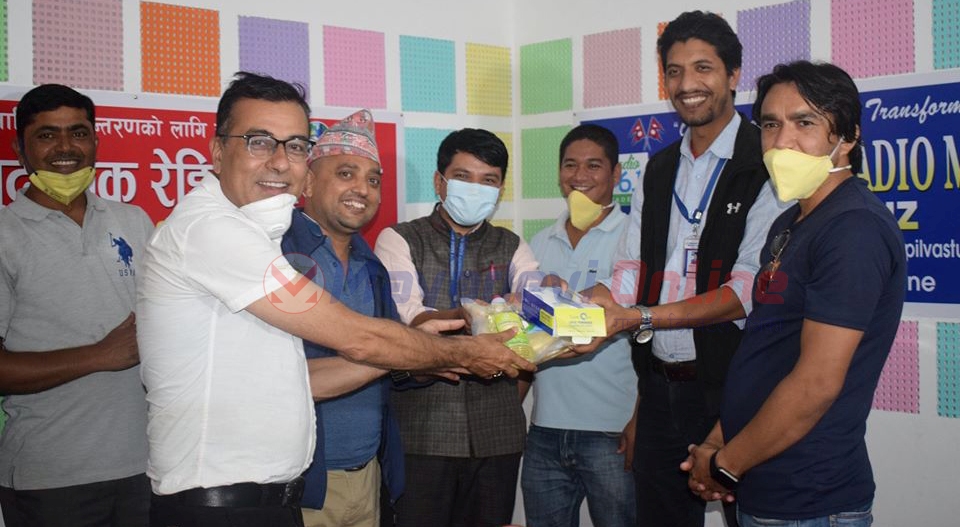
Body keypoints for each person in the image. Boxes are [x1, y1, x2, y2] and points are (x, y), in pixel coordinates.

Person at [136, 72, 533, 527]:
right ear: (218, 151)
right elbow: (358, 338)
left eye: (295, 146)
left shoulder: (271, 240)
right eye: (259, 142)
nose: (280, 162)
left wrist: (419, 351)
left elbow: (306, 377)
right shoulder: (212, 231)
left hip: (277, 496)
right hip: (218, 504)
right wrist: (459, 352)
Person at [576, 11, 788, 527]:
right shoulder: (659, 166)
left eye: (702, 68)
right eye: (674, 71)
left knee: (752, 517)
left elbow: (747, 291)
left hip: (734, 389)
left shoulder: (765, 160)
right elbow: (633, 264)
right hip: (658, 389)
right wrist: (597, 300)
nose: (687, 84)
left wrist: (640, 316)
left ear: (733, 75)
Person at [682, 60, 906, 527]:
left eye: (804, 123)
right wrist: (717, 441)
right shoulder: (790, 222)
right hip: (761, 486)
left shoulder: (853, 229)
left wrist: (725, 465)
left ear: (848, 136)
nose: (782, 141)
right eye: (770, 124)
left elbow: (815, 384)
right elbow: (766, 351)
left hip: (810, 499)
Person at [0, 84, 153, 526]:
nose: (66, 147)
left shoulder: (134, 221)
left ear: (96, 142)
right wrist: (99, 356)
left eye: (78, 133)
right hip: (50, 479)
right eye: (47, 135)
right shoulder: (6, 233)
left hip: (147, 467)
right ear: (20, 149)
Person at [374, 128, 540, 526]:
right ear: (440, 181)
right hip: (421, 434)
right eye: (464, 177)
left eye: (489, 180)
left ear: (500, 190)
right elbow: (411, 321)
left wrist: (533, 309)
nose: (476, 189)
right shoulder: (399, 239)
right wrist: (483, 315)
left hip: (498, 436)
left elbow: (535, 316)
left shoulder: (513, 245)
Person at [280, 109, 407, 527]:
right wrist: (413, 351)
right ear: (308, 183)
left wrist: (435, 349)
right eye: (346, 174)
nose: (362, 190)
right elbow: (282, 377)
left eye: (373, 180)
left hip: (368, 475)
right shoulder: (279, 257)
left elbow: (392, 356)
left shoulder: (372, 267)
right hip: (303, 484)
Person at [520, 124, 638, 527]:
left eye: (593, 165)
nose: (580, 176)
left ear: (616, 174)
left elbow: (649, 336)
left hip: (612, 432)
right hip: (544, 430)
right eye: (570, 165)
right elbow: (527, 335)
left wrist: (639, 420)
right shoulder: (538, 244)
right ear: (559, 173)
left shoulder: (634, 239)